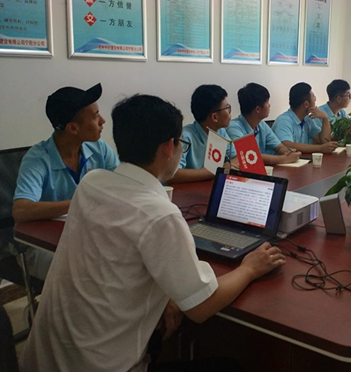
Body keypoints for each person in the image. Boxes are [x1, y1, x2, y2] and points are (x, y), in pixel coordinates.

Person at [20, 95, 285, 372]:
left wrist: (166, 294)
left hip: (43, 360)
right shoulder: (161, 216)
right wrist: (250, 268)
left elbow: (119, 260)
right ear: (169, 147)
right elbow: (201, 307)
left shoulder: (90, 184)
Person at [11, 83, 118, 279]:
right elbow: (21, 210)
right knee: (89, 272)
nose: (102, 121)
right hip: (42, 244)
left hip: (87, 234)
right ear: (73, 128)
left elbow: (124, 183)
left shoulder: (98, 148)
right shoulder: (38, 159)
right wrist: (79, 202)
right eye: (95, 116)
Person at [169, 85, 238, 183]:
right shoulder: (185, 137)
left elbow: (236, 157)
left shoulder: (220, 131)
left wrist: (227, 166)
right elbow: (173, 174)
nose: (230, 112)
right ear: (214, 117)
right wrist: (214, 171)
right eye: (227, 108)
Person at [226, 83, 302, 165]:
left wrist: (288, 152)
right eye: (267, 102)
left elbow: (279, 147)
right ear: (258, 109)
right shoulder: (233, 128)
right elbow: (249, 156)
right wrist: (284, 159)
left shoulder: (261, 124)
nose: (269, 105)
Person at [271, 83, 338, 154]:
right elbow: (287, 144)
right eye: (313, 96)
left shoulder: (307, 119)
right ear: (306, 104)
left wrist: (325, 119)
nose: (315, 99)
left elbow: (323, 141)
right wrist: (320, 148)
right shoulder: (284, 121)